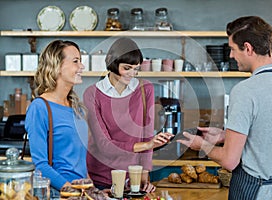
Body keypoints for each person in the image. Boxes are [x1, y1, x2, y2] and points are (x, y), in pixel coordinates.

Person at [177, 16, 272, 200]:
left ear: (248, 48)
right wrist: (226, 135)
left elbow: (229, 160)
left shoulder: (245, 90)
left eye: (233, 49)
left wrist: (202, 145)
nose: (231, 56)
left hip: (255, 193)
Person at [84, 37, 173, 193]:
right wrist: (148, 145)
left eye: (136, 69)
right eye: (127, 68)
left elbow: (147, 134)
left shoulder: (146, 90)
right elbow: (105, 145)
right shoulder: (92, 94)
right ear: (112, 63)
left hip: (133, 178)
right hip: (101, 178)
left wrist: (144, 175)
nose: (132, 74)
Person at [25, 40, 89, 198]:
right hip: (58, 194)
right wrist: (71, 191)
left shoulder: (77, 108)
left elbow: (80, 159)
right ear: (57, 66)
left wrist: (90, 189)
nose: (82, 67)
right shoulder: (39, 108)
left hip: (80, 193)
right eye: (76, 61)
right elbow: (41, 165)